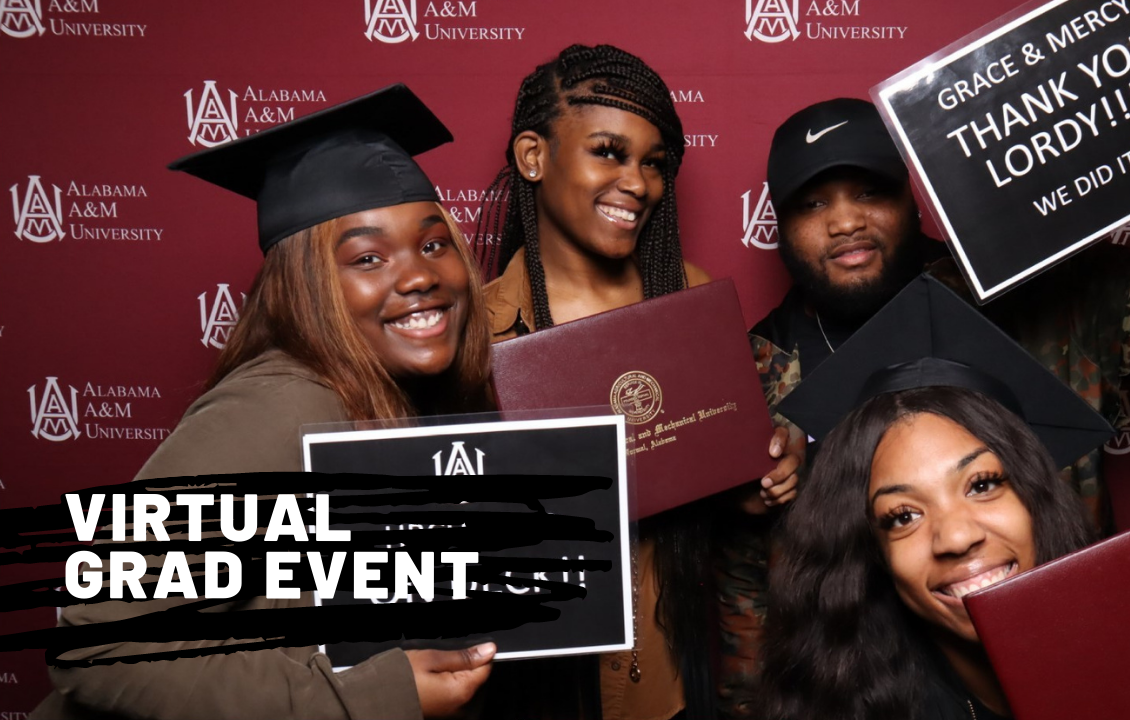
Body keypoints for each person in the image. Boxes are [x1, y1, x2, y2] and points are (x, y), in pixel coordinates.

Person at [718, 0, 1130, 714]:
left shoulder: (1035, 300)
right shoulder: (748, 385)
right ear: (779, 227)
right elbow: (746, 603)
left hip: (1077, 668)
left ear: (913, 202)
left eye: (870, 191)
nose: (846, 220)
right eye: (812, 202)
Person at [34, 85, 496, 720]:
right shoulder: (281, 406)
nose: (419, 275)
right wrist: (375, 697)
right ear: (308, 288)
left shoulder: (391, 396)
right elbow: (98, 641)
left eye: (433, 243)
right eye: (367, 257)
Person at [476, 44, 800, 720]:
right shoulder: (473, 337)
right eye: (608, 152)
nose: (639, 183)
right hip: (523, 694)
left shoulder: (692, 305)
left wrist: (765, 472)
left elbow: (725, 481)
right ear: (533, 155)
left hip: (672, 687)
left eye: (654, 163)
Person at [758, 275, 1110, 720]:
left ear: (1036, 495)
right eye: (903, 516)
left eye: (982, 485)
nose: (956, 537)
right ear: (873, 556)